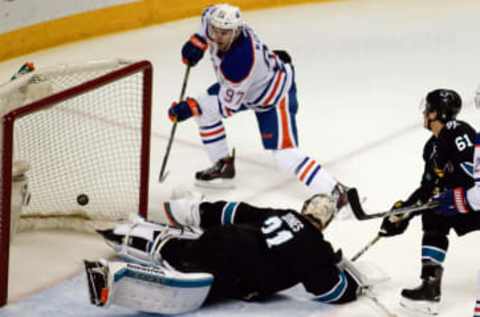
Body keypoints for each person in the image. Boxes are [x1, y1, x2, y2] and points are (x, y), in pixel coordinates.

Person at [168, 3, 349, 208]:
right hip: (249, 89)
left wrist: (190, 107)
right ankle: (223, 165)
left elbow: (227, 107)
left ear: (236, 31)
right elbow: (206, 17)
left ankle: (335, 192)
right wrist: (198, 40)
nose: (217, 37)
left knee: (285, 157)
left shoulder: (238, 63)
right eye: (214, 30)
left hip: (273, 95)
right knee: (204, 113)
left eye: (224, 33)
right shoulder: (214, 21)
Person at [84, 193, 376, 314]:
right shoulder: (316, 248)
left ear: (303, 209)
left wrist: (200, 211)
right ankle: (119, 276)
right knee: (197, 279)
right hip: (238, 271)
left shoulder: (281, 213)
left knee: (181, 249)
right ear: (324, 224)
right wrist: (353, 283)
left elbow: (234, 211)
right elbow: (329, 290)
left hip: (223, 238)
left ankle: (131, 233)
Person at [377, 88, 479, 315]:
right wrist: (405, 211)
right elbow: (428, 188)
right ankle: (430, 286)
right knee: (433, 212)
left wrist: (452, 193)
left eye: (428, 109)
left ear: (435, 113)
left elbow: (470, 170)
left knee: (438, 205)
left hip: (476, 200)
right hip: (464, 201)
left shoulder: (458, 131)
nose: (425, 113)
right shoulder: (432, 146)